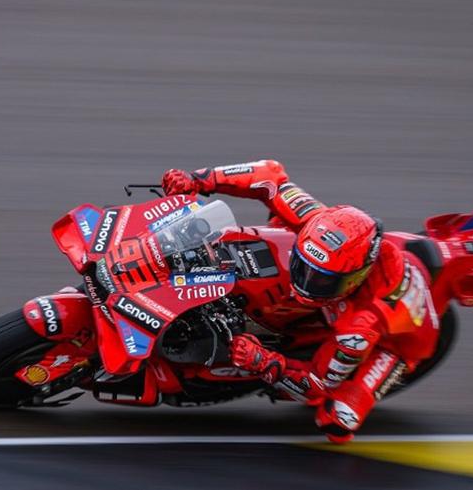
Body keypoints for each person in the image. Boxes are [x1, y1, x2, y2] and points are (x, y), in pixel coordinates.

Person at [161, 160, 440, 443]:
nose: (306, 281)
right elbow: (267, 175)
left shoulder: (360, 328)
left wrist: (264, 361)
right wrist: (198, 180)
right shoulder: (314, 219)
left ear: (355, 279)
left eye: (321, 279)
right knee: (273, 228)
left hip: (401, 343)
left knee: (337, 421)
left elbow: (319, 385)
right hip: (366, 277)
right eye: (303, 266)